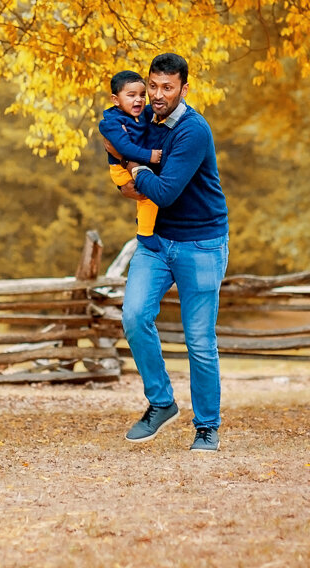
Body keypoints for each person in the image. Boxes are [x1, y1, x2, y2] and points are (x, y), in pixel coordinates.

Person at [103, 52, 229, 453]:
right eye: (153, 86)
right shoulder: (146, 124)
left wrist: (136, 169)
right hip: (155, 243)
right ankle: (161, 403)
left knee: (199, 341)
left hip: (202, 244)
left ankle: (207, 426)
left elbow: (165, 191)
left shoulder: (193, 131)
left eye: (166, 88)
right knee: (134, 316)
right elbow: (117, 154)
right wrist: (132, 168)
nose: (157, 95)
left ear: (183, 89)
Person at [98, 69, 164, 240]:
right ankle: (144, 233)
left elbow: (157, 108)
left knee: (150, 194)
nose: (138, 100)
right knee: (149, 196)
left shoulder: (142, 113)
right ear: (115, 100)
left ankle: (144, 220)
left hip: (135, 164)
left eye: (142, 95)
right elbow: (124, 148)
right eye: (131, 95)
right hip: (120, 170)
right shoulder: (112, 123)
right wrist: (150, 156)